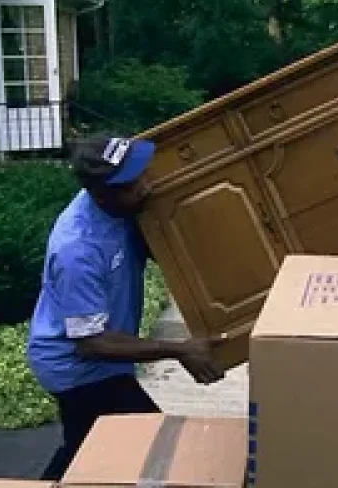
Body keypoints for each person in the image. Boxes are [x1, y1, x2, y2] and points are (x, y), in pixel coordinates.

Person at [28, 133, 228, 479]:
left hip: (100, 361)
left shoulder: (120, 205)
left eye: (142, 174)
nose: (147, 187)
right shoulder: (77, 250)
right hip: (77, 369)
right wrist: (178, 350)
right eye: (133, 184)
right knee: (144, 443)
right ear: (102, 194)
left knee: (86, 448)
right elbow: (93, 343)